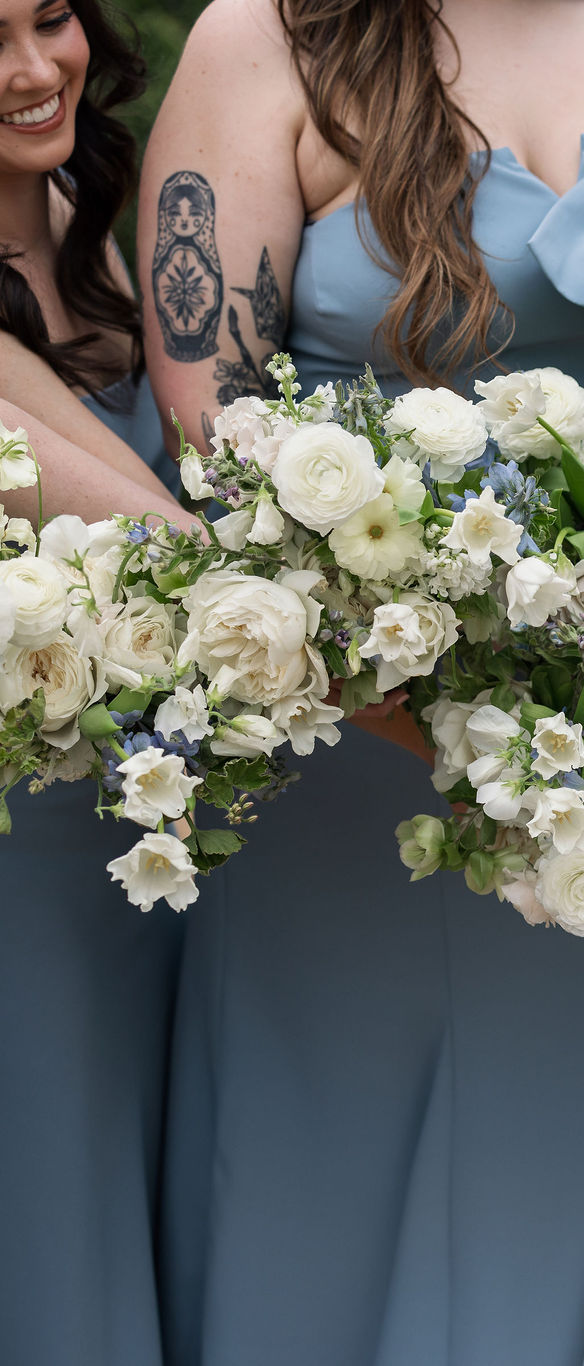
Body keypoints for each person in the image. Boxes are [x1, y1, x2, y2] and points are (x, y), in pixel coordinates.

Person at [136, 2, 584, 1362]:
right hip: (350, 748)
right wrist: (444, 714)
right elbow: (217, 449)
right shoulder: (267, 41)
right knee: (329, 1201)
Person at [0, 5, 201, 1364]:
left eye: (48, 17)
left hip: (154, 827)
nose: (31, 71)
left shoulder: (86, 201)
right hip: (28, 861)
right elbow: (170, 544)